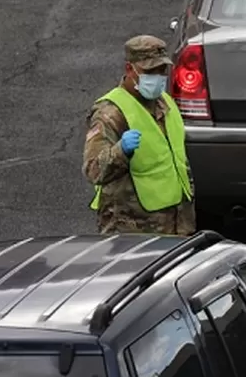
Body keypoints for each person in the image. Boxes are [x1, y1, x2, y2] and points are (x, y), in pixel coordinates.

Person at [82, 35, 196, 235]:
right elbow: (93, 170)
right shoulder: (110, 113)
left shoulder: (165, 103)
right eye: (150, 71)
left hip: (176, 225)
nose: (158, 77)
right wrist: (121, 151)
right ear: (130, 69)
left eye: (162, 70)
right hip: (133, 229)